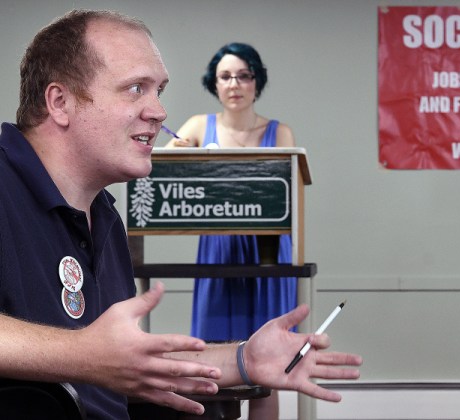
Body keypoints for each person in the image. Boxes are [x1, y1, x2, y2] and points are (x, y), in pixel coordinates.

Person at [0, 9, 361, 420]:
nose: (159, 111)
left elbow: (123, 360)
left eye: (159, 91)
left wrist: (243, 360)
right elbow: (94, 356)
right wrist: (81, 354)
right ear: (60, 102)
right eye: (136, 88)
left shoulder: (104, 218)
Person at [165, 42, 297, 419]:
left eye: (244, 75)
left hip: (267, 254)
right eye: (225, 76)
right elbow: (161, 170)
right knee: (213, 358)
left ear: (257, 81)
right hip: (218, 252)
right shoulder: (196, 125)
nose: (234, 84)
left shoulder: (280, 132)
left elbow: (286, 190)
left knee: (266, 365)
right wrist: (181, 150)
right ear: (215, 83)